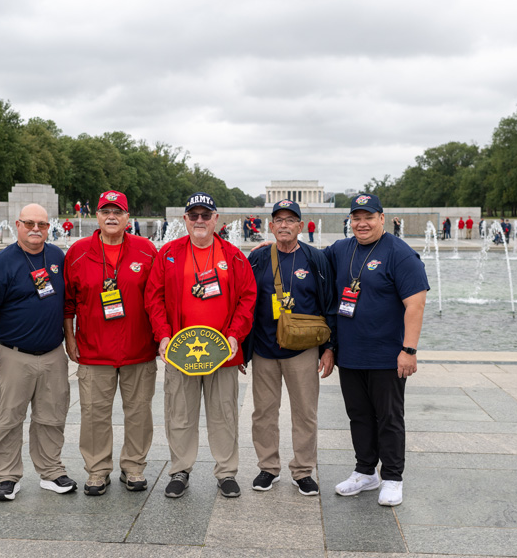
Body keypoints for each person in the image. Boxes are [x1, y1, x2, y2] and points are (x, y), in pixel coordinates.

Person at [144, 192, 256, 499]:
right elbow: (153, 297)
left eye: (205, 215)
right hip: (181, 352)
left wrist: (235, 335)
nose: (200, 221)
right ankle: (180, 469)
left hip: (222, 353)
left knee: (224, 414)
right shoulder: (168, 253)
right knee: (180, 413)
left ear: (216, 219)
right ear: (185, 220)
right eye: (193, 215)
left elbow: (248, 298)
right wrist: (163, 335)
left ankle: (226, 472)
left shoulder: (233, 256)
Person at [323, 194, 429, 507]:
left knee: (389, 417)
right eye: (356, 218)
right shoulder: (342, 249)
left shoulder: (399, 253)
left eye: (368, 217)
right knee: (359, 415)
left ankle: (393, 477)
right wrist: (268, 249)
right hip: (351, 354)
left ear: (382, 218)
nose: (362, 223)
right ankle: (365, 471)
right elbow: (310, 260)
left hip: (387, 355)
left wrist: (409, 349)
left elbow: (416, 303)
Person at [0, 203, 76, 501]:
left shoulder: (56, 256)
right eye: (29, 223)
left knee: (52, 417)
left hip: (53, 354)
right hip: (13, 354)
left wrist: (70, 341)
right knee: (8, 418)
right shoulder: (1, 262)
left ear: (48, 227)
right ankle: (7, 476)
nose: (35, 229)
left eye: (42, 224)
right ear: (17, 225)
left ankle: (51, 471)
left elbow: (67, 304)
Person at [64, 190, 158, 496]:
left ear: (128, 218)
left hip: (138, 349)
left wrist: (161, 338)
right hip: (94, 351)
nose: (112, 216)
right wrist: (69, 338)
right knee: (93, 414)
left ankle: (133, 467)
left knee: (139, 413)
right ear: (97, 216)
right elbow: (68, 303)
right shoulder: (78, 251)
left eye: (118, 211)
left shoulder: (145, 250)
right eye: (106, 211)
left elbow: (159, 298)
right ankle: (97, 470)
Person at [244, 200, 336, 496]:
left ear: (300, 225)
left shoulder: (315, 259)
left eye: (290, 220)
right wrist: (242, 349)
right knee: (264, 412)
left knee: (305, 412)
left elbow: (329, 304)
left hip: (303, 349)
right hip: (265, 348)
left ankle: (303, 470)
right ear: (270, 226)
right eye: (278, 220)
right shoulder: (257, 258)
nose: (284, 225)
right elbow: (244, 303)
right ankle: (268, 467)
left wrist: (329, 347)